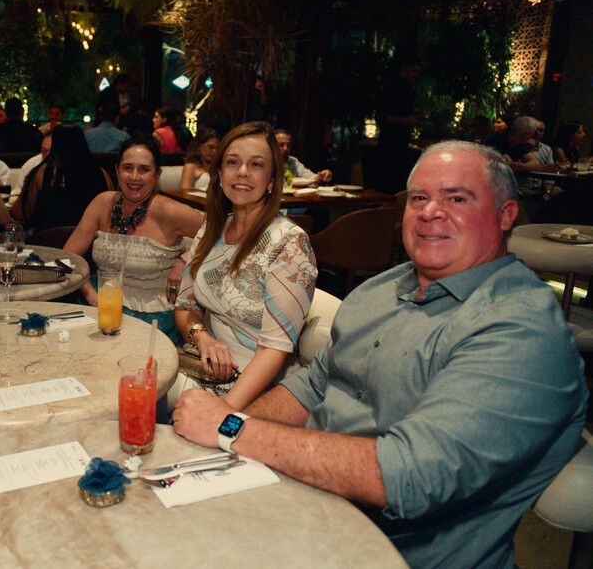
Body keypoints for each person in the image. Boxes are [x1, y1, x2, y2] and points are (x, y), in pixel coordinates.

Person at [172, 141, 588, 568]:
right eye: (419, 198)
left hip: (389, 554)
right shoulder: (383, 287)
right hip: (298, 510)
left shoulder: (521, 329)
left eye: (457, 199)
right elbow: (310, 386)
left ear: (506, 215)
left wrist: (230, 428)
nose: (430, 212)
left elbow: (412, 475)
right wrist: (222, 439)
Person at [173, 121, 317, 411]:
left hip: (260, 385)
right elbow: (185, 307)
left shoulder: (289, 243)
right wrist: (203, 338)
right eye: (232, 162)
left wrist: (222, 413)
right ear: (219, 174)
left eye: (256, 164)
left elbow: (273, 350)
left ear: (272, 179)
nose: (242, 172)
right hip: (203, 364)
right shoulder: (211, 230)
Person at [63, 136, 203, 344]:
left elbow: (222, 234)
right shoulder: (102, 203)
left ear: (157, 175)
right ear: (117, 170)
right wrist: (90, 293)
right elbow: (68, 257)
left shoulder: (170, 211)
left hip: (154, 316)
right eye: (128, 168)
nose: (134, 177)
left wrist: (185, 259)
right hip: (99, 305)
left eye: (144, 169)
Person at [12, 123, 108, 234]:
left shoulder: (41, 172)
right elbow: (109, 211)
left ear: (55, 144)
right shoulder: (99, 173)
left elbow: (19, 213)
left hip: (47, 240)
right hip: (89, 240)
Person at [376, 54, 425, 193]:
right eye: (413, 70)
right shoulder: (391, 88)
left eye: (417, 71)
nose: (415, 75)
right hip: (390, 140)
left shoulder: (409, 89)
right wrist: (405, 120)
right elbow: (381, 117)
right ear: (404, 69)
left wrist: (415, 117)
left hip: (401, 139)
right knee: (390, 178)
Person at [13, 133, 52, 199]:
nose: (48, 155)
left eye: (51, 152)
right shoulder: (31, 164)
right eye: (44, 151)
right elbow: (17, 193)